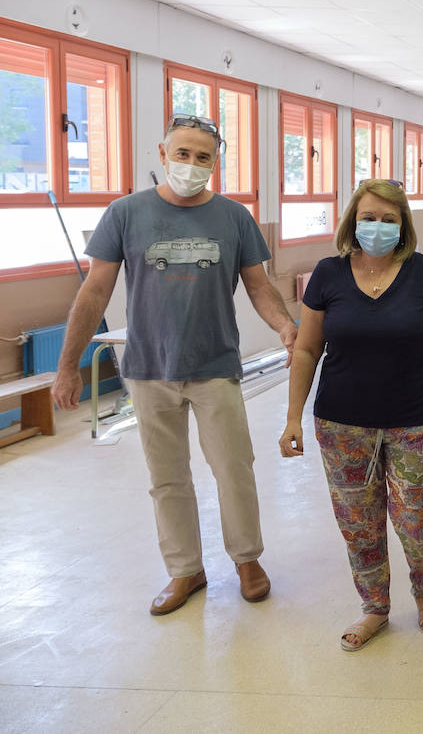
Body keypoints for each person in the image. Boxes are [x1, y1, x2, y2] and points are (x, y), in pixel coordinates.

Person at [53, 114, 297, 616]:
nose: (191, 164)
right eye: (182, 154)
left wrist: (285, 326)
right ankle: (185, 569)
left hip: (215, 363)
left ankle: (246, 559)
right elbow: (94, 290)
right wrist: (67, 365)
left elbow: (258, 284)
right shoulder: (125, 213)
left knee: (234, 467)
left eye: (202, 156)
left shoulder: (234, 218)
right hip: (148, 366)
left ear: (216, 162)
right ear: (162, 155)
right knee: (167, 476)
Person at [278, 178, 423, 652]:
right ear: (352, 221)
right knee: (358, 522)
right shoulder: (328, 274)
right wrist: (291, 417)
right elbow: (306, 350)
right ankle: (374, 607)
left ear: (403, 225)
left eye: (389, 219)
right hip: (342, 423)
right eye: (369, 217)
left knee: (417, 517)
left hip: (418, 421)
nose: (378, 227)